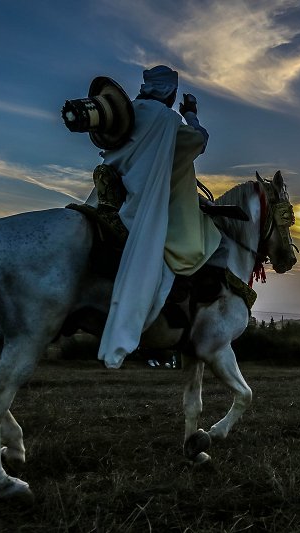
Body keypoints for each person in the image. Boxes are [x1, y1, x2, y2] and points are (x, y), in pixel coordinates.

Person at [92, 65, 222, 369]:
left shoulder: (127, 111)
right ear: (171, 94)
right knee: (192, 246)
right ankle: (173, 317)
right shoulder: (166, 120)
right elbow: (198, 141)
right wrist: (191, 113)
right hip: (143, 201)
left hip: (110, 195)